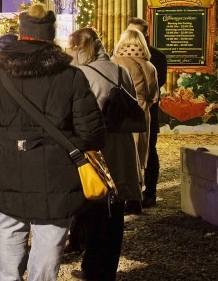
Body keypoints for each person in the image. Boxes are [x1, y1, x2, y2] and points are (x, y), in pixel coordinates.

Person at [0, 4, 103, 281]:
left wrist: (8, 142)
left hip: (7, 163)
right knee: (49, 234)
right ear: (51, 35)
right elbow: (91, 132)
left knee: (10, 227)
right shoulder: (70, 76)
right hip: (56, 170)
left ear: (22, 33)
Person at [67, 27, 141, 281]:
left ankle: (92, 266)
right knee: (116, 209)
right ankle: (108, 268)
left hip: (97, 148)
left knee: (94, 206)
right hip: (122, 146)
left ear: (79, 48)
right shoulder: (121, 71)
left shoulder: (83, 74)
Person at [111, 26, 158, 212]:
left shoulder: (115, 62)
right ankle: (136, 198)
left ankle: (120, 197)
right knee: (140, 155)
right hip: (143, 114)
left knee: (122, 156)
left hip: (122, 114)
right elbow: (154, 96)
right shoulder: (149, 65)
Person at [127, 17, 166, 207]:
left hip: (147, 113)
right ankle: (131, 194)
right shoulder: (119, 57)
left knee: (150, 153)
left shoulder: (156, 57)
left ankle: (150, 192)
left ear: (146, 34)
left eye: (137, 34)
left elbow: (158, 85)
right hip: (130, 114)